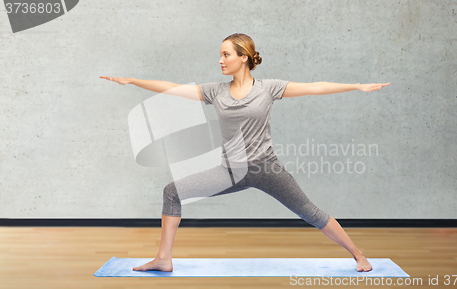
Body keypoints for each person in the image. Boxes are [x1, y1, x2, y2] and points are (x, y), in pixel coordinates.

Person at [100, 33, 389, 273]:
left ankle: (358, 255)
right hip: (230, 171)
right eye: (221, 55)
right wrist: (133, 80)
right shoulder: (216, 92)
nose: (220, 60)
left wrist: (357, 86)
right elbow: (173, 89)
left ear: (244, 57)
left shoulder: (268, 88)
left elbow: (315, 88)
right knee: (172, 192)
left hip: (267, 169)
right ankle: (163, 259)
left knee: (310, 213)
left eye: (226, 54)